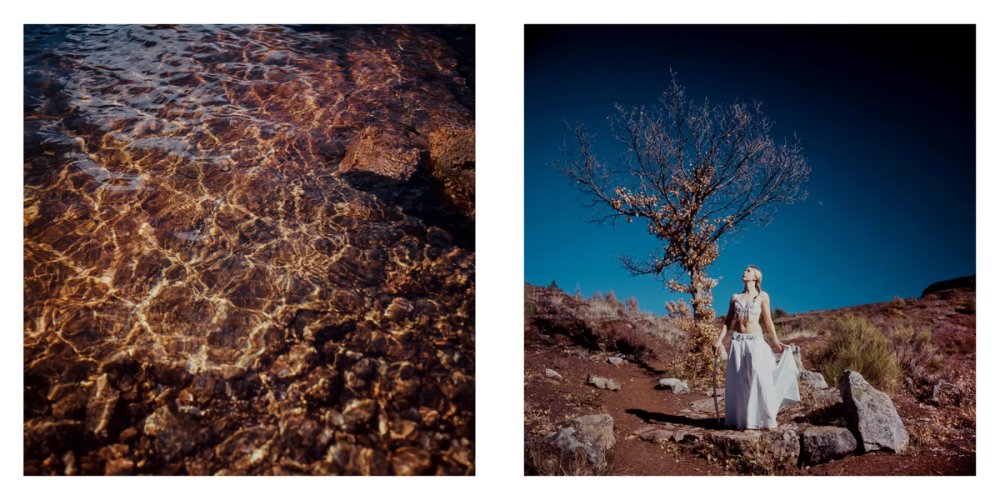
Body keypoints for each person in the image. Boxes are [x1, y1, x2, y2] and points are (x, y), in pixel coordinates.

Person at [713, 265, 800, 429]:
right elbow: (728, 321)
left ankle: (766, 419)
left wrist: (775, 340)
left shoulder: (763, 296)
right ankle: (745, 420)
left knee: (759, 375)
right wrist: (718, 341)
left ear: (756, 277)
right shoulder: (735, 297)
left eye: (748, 271)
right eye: (744, 270)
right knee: (740, 380)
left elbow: (768, 320)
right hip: (737, 342)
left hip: (756, 341)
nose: (744, 272)